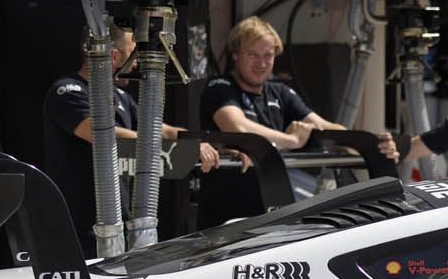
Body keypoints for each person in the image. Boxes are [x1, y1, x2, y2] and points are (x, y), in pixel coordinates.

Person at [198, 16, 397, 224]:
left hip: (273, 216)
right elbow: (237, 128)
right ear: (235, 55)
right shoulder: (219, 87)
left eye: (268, 55)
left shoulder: (280, 92)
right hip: (226, 217)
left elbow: (325, 127)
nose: (262, 63)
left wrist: (375, 146)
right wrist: (292, 140)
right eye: (253, 55)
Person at [43, 24, 217, 248]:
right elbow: (103, 135)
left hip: (119, 220)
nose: (137, 62)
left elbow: (157, 128)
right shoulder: (68, 91)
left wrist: (202, 142)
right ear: (114, 56)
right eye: (132, 52)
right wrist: (186, 149)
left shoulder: (122, 97)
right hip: (79, 222)